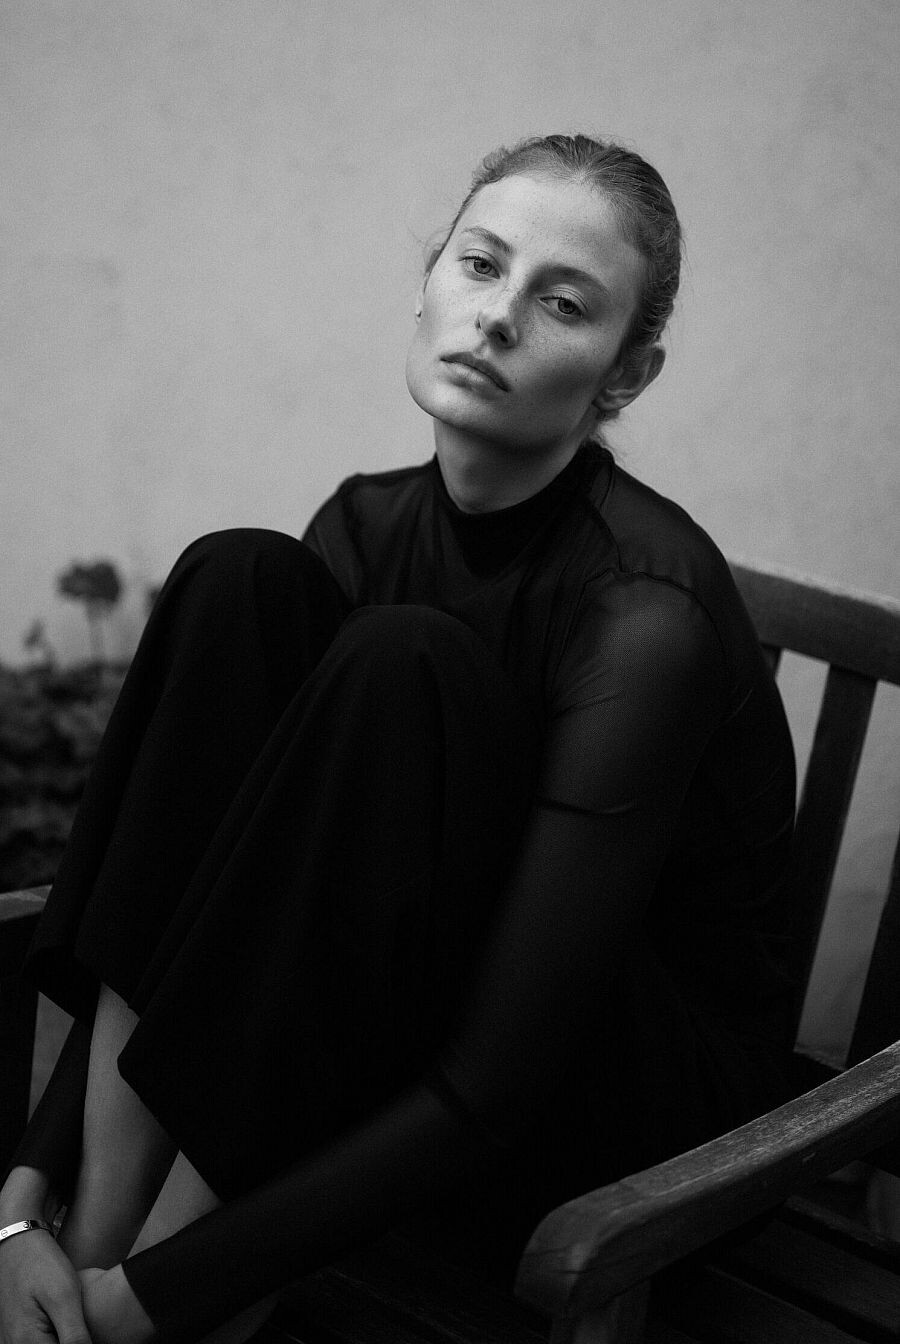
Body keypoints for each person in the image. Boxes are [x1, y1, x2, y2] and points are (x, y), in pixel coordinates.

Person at [0, 134, 796, 1344]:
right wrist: (23, 1205)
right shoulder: (365, 524)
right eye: (480, 264)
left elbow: (499, 1080)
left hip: (623, 1125)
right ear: (426, 282)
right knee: (236, 581)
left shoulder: (646, 620)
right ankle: (93, 1240)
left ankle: (142, 1287)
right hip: (390, 1031)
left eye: (563, 302)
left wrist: (160, 1302)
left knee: (399, 659)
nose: (498, 316)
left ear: (626, 375)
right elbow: (190, 869)